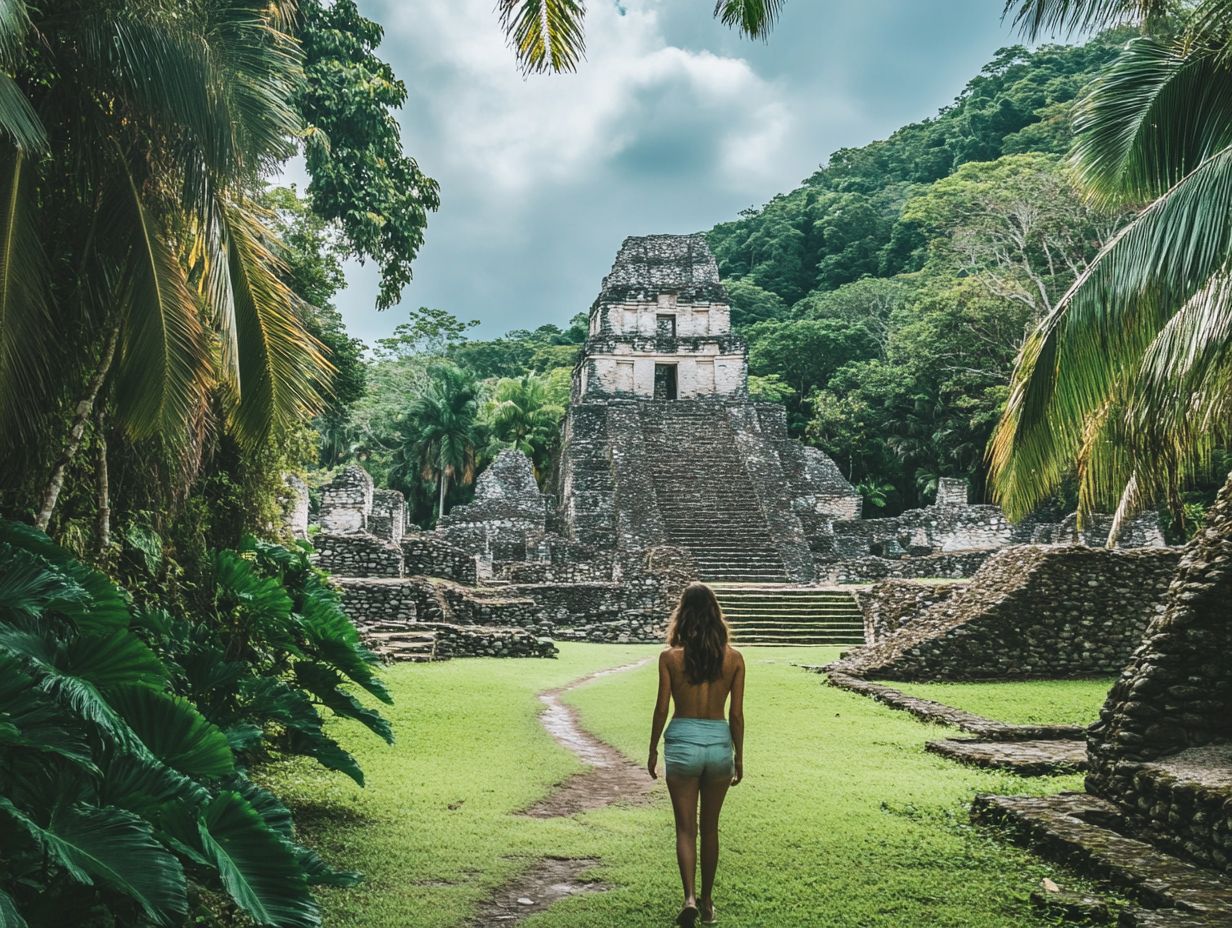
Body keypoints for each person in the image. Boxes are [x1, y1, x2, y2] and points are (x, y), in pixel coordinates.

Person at [647, 582, 745, 927]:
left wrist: (652, 748)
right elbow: (736, 715)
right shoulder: (734, 658)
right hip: (718, 744)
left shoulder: (670, 657)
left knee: (686, 829)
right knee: (711, 829)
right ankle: (706, 902)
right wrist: (739, 757)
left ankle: (688, 896)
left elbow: (661, 709)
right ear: (716, 615)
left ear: (682, 614)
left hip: (682, 743)